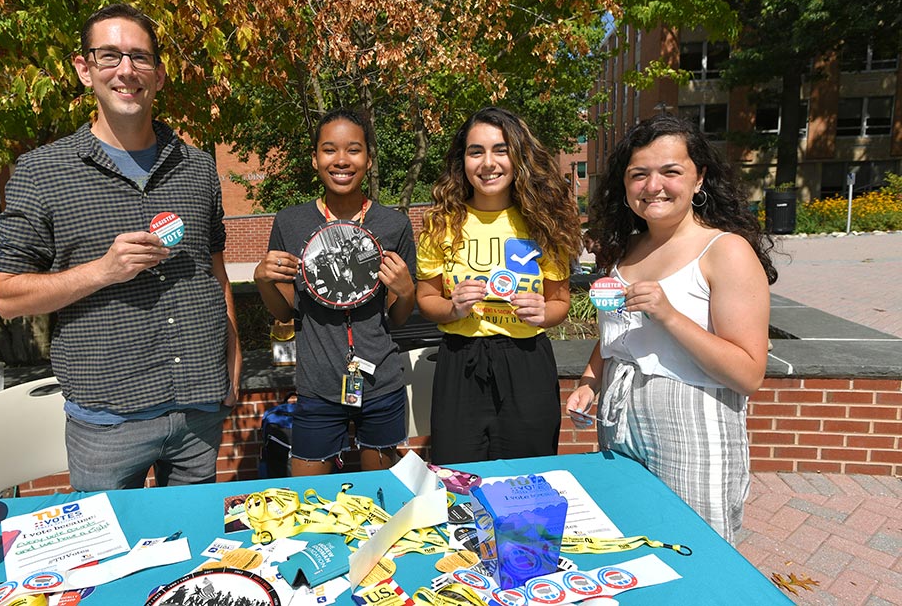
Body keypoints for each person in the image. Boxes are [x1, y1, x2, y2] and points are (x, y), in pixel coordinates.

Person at [0, 3, 241, 490]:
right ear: (84, 69)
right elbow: (6, 295)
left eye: (140, 57)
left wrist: (233, 352)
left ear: (160, 74)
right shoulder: (41, 173)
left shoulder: (197, 167)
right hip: (108, 421)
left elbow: (215, 271)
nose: (126, 70)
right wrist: (102, 271)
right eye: (109, 56)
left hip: (199, 410)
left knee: (196, 551)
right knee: (108, 558)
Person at [565, 114, 777, 545]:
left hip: (690, 415)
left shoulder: (725, 251)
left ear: (699, 179)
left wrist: (670, 315)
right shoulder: (624, 250)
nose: (652, 185)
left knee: (696, 547)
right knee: (627, 536)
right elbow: (614, 337)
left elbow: (749, 373)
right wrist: (591, 382)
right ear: (624, 186)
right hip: (618, 414)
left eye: (670, 171)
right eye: (638, 174)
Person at [254, 108, 416, 476]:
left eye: (354, 150)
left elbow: (398, 318)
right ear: (315, 159)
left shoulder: (394, 224)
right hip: (317, 386)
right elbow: (284, 313)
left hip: (381, 383)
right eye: (329, 150)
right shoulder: (290, 222)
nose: (341, 160)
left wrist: (406, 293)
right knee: (310, 503)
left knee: (383, 500)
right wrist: (262, 280)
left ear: (369, 159)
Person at [416, 107, 582, 465]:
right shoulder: (441, 223)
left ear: (519, 155)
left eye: (500, 150)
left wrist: (543, 313)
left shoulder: (544, 222)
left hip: (526, 362)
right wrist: (452, 307)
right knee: (458, 479)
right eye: (476, 151)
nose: (488, 163)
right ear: (462, 160)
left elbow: (560, 302)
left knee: (529, 477)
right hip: (460, 362)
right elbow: (426, 297)